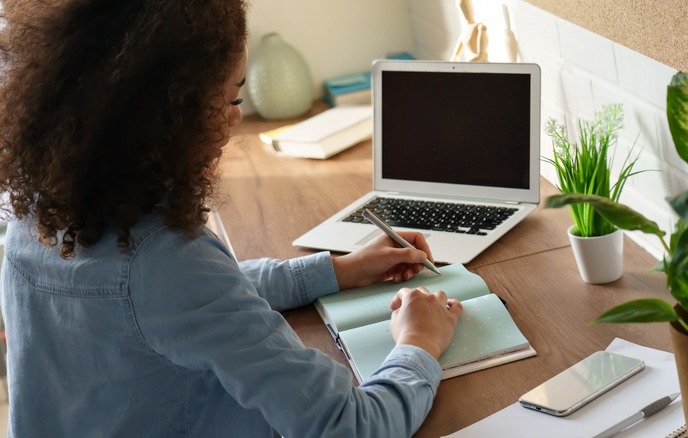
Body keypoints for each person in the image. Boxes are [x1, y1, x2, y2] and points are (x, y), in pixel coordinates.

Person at [0, 1, 462, 437]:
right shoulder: (162, 259)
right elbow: (349, 426)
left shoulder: (39, 213)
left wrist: (336, 270)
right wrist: (419, 343)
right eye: (230, 99)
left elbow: (188, 301)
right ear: (169, 116)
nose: (235, 119)